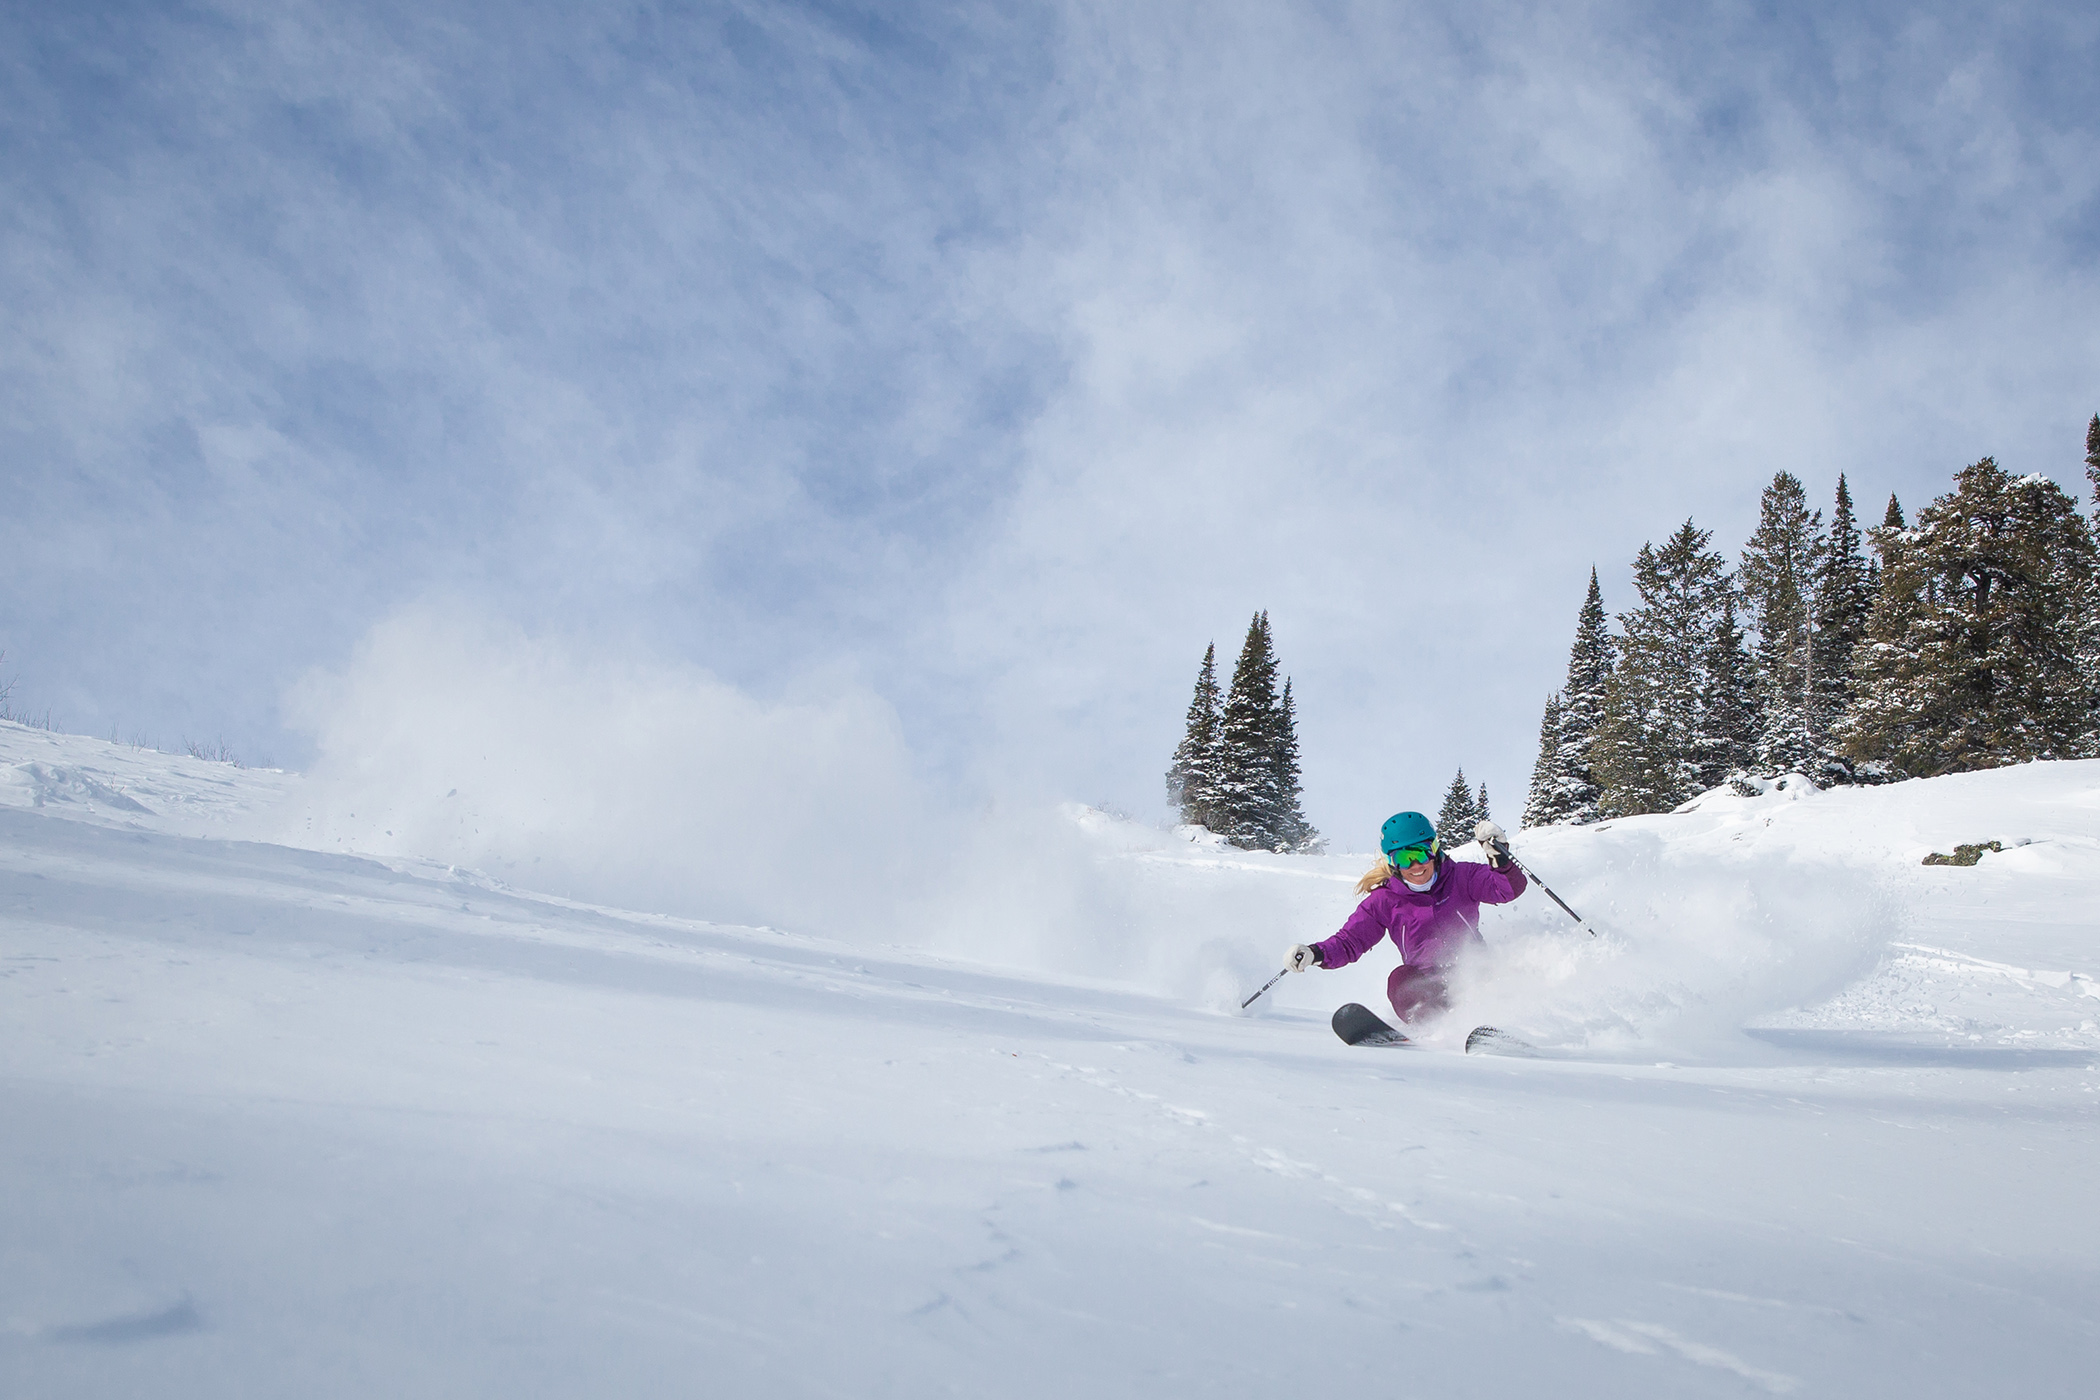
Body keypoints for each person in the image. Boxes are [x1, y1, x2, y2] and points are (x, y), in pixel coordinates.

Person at [1282, 811, 1526, 1023]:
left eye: (1420, 853)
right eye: (1403, 858)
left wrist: (1501, 860)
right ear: (1392, 862)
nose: (1415, 865)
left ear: (1434, 850)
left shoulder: (1462, 877)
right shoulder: (1385, 901)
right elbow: (1349, 942)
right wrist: (1315, 953)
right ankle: (1435, 1028)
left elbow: (1506, 889)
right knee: (1400, 980)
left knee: (1505, 974)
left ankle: (1501, 1021)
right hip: (1428, 986)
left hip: (1476, 976)